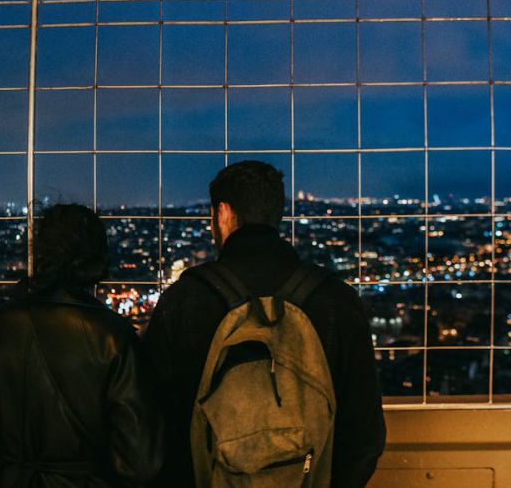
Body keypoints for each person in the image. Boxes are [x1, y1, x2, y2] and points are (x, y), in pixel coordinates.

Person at [144, 160, 386, 487]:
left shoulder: (184, 300)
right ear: (278, 214)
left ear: (224, 213)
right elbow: (364, 435)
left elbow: (153, 427)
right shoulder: (336, 300)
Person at [0, 204, 164, 488]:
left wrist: (17, 442)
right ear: (96, 256)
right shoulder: (115, 337)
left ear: (42, 252)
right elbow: (139, 461)